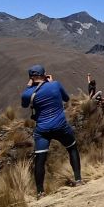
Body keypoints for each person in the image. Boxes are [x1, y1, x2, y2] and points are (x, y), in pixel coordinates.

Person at [21, 65, 84, 199]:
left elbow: (24, 104)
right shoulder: (55, 85)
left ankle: (40, 193)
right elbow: (66, 99)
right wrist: (51, 83)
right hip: (60, 126)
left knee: (40, 159)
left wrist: (28, 86)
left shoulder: (28, 93)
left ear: (31, 78)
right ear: (44, 75)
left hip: (42, 130)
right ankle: (78, 180)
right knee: (72, 148)